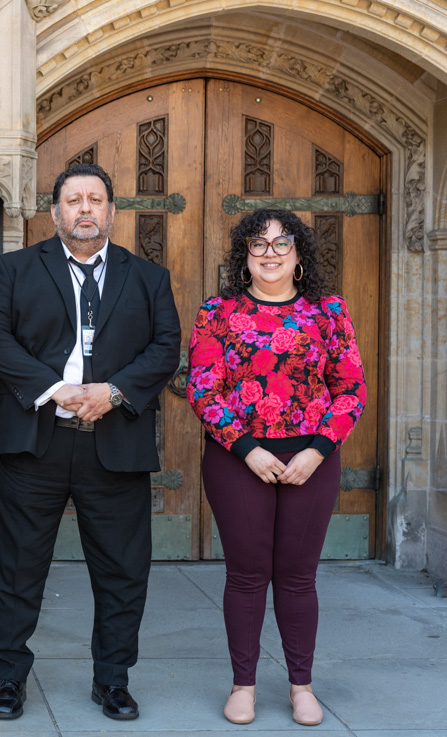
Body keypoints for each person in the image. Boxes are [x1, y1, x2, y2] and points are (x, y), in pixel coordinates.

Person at [0, 162, 180, 723]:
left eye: (95, 200)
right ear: (55, 212)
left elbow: (166, 348)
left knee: (121, 571)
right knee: (17, 568)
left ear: (111, 212)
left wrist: (112, 393)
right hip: (35, 440)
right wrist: (54, 388)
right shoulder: (16, 269)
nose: (85, 209)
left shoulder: (148, 279)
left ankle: (113, 680)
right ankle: (9, 680)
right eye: (74, 200)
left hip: (114, 444)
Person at [185, 209, 366, 727]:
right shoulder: (216, 313)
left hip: (313, 458)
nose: (270, 252)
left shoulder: (329, 312)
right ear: (244, 256)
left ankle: (300, 686)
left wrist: (316, 451)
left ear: (299, 255)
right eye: (258, 244)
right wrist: (247, 449)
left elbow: (351, 388)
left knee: (297, 577)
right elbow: (201, 387)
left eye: (282, 242)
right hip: (238, 459)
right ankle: (243, 686)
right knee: (245, 575)